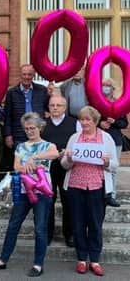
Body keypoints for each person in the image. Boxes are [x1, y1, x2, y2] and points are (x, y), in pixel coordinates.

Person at [0, 112, 59, 278]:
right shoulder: (20, 146)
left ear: (40, 127)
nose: (29, 131)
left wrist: (35, 157)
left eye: (32, 128)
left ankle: (38, 264)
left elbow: (55, 154)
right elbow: (17, 167)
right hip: (24, 191)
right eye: (26, 129)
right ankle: (2, 260)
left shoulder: (48, 145)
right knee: (13, 225)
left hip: (42, 193)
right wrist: (25, 166)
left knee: (40, 229)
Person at [61, 106, 119, 277]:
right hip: (75, 185)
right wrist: (69, 158)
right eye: (82, 119)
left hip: (96, 186)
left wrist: (107, 162)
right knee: (78, 224)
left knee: (95, 224)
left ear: (95, 121)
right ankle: (81, 259)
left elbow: (115, 166)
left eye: (88, 119)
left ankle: (94, 259)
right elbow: (65, 164)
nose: (84, 122)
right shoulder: (74, 138)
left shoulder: (106, 138)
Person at [41, 95, 79, 247]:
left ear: (65, 107)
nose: (55, 108)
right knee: (48, 202)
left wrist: (69, 152)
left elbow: (79, 143)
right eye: (52, 105)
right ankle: (48, 234)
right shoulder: (43, 124)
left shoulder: (75, 123)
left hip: (67, 167)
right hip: (47, 169)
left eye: (58, 105)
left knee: (68, 201)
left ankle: (69, 234)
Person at [3, 64, 50, 148]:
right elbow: (8, 116)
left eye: (29, 74)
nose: (26, 77)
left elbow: (48, 109)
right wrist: (8, 135)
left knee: (38, 159)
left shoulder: (42, 90)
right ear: (20, 75)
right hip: (19, 134)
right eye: (24, 74)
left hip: (39, 134)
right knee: (21, 159)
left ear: (33, 75)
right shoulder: (12, 92)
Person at [98, 78, 127, 207]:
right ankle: (100, 193)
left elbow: (124, 123)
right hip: (100, 139)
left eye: (108, 85)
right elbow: (91, 119)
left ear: (113, 88)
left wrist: (114, 122)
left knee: (113, 168)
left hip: (115, 140)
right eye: (104, 85)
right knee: (100, 167)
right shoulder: (97, 102)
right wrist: (100, 124)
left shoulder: (119, 103)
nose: (106, 88)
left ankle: (111, 195)